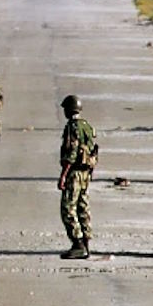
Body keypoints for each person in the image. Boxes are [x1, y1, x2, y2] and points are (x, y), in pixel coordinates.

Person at [58, 94, 98, 259]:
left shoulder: (72, 127)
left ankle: (77, 243)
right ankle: (86, 242)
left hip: (74, 172)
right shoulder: (87, 126)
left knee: (67, 208)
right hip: (86, 173)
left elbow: (72, 153)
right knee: (83, 206)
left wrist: (63, 175)